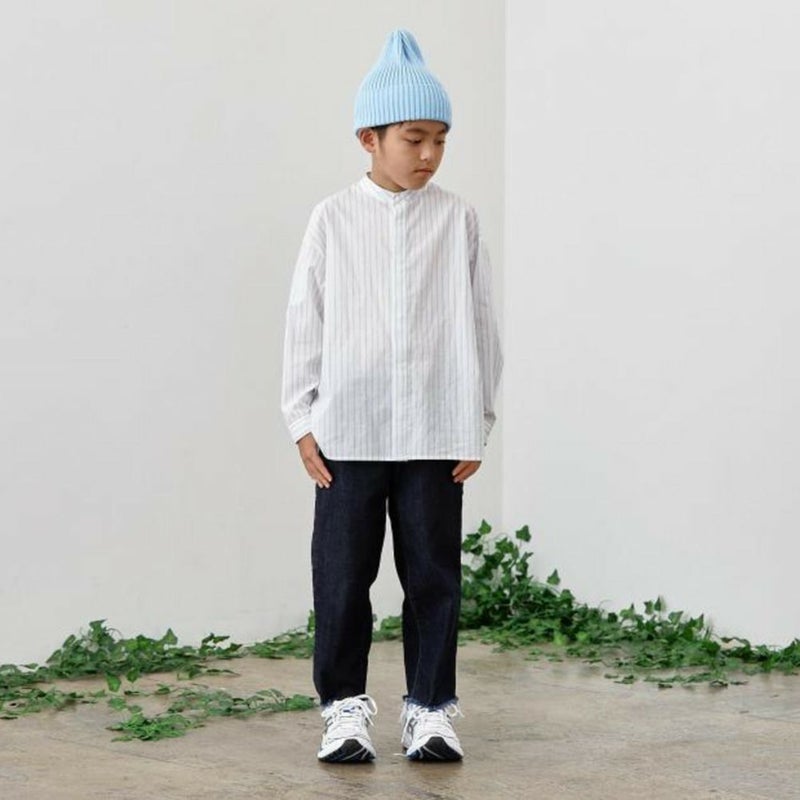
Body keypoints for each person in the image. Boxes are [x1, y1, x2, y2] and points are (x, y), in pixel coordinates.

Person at [281, 28, 503, 763]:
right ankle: (343, 710)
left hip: (437, 430)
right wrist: (302, 420)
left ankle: (430, 710)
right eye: (414, 138)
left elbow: (481, 323)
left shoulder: (458, 219)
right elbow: (304, 319)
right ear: (369, 138)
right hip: (348, 430)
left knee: (434, 578)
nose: (430, 154)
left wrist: (477, 420)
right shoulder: (332, 219)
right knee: (343, 578)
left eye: (440, 139)